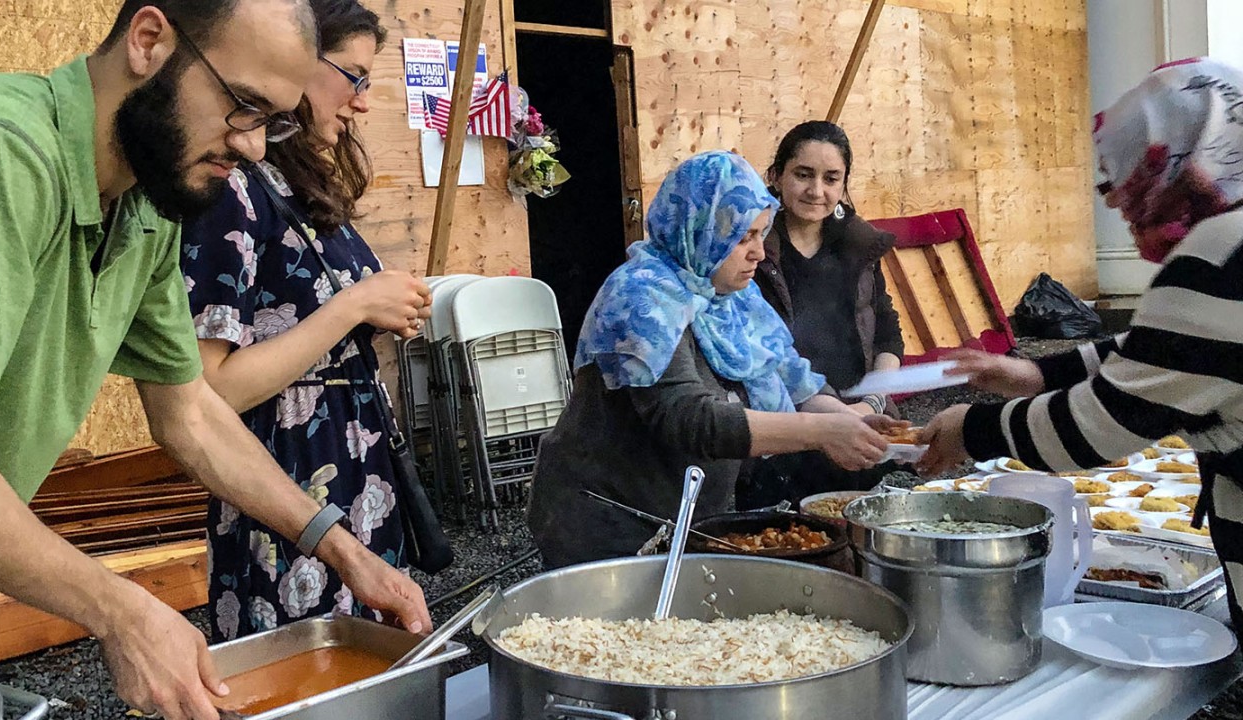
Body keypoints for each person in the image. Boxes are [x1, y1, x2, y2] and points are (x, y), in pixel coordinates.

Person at [0, 2, 430, 718]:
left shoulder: (144, 204)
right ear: (148, 40)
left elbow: (189, 412)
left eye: (272, 121)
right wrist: (121, 609)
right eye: (242, 106)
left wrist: (342, 550)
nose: (254, 148)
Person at [917, 57, 1243, 628]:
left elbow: (1095, 428)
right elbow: (1169, 350)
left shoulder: (1219, 256)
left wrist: (970, 429)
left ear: (1174, 156)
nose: (1114, 201)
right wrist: (1038, 376)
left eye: (1117, 174)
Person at [181, 0, 432, 642]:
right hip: (288, 479)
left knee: (373, 658)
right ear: (297, 64)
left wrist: (384, 305)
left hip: (357, 465)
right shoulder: (233, 189)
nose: (361, 102)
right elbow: (214, 387)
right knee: (308, 672)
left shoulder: (301, 190)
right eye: (353, 76)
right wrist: (352, 306)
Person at [526, 151, 901, 570]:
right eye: (743, 239)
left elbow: (786, 374)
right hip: (607, 521)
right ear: (701, 231)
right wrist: (822, 432)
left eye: (762, 234)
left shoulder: (730, 296)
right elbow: (688, 417)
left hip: (686, 514)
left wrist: (851, 421)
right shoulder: (643, 299)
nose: (758, 253)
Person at [738, 121, 907, 507]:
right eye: (803, 175)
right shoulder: (753, 250)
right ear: (776, 177)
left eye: (831, 178)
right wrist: (837, 418)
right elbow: (761, 358)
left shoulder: (858, 245)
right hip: (785, 431)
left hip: (866, 420)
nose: (817, 191)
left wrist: (872, 402)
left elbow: (888, 333)